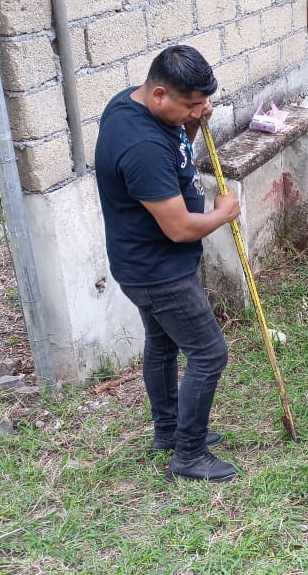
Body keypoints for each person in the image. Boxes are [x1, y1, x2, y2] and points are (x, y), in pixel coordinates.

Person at [95, 46, 241, 483]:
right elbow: (178, 228)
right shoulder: (140, 145)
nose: (201, 110)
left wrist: (192, 121)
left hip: (142, 262)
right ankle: (189, 455)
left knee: (162, 346)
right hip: (159, 271)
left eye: (202, 102)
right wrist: (224, 213)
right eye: (192, 104)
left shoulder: (134, 105)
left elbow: (178, 152)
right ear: (160, 93)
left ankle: (168, 431)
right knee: (209, 354)